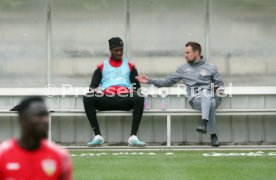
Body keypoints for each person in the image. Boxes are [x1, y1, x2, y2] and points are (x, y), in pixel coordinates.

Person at [136, 42, 224, 147]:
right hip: (196, 100)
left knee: (208, 94)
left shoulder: (211, 67)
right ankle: (213, 134)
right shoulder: (183, 69)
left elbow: (221, 86)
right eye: (185, 53)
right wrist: (149, 80)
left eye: (188, 53)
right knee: (211, 102)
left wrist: (217, 88)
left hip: (212, 95)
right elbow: (167, 82)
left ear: (196, 52)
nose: (185, 55)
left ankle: (204, 122)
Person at [83, 37, 145, 146]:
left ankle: (133, 136)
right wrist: (94, 91)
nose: (119, 52)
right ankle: (98, 136)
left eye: (121, 50)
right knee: (88, 97)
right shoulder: (101, 67)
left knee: (139, 97)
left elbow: (137, 87)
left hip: (124, 100)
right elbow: (92, 87)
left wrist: (135, 91)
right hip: (107, 100)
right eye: (116, 50)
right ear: (110, 50)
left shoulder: (130, 66)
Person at [0, 97, 72, 179]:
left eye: (46, 115)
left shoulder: (60, 156)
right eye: (39, 116)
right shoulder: (2, 155)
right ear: (23, 120)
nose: (45, 120)